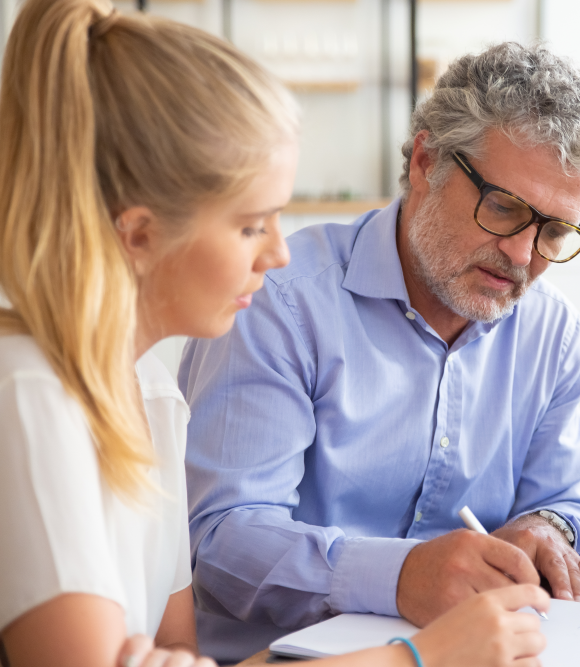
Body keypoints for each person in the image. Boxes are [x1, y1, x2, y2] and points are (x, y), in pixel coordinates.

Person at [0, 2, 548, 666]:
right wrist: (416, 657)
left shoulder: (146, 391)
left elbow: (182, 652)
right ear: (139, 233)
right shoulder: (28, 395)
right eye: (252, 224)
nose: (278, 254)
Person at [180, 42, 580, 662]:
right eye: (503, 207)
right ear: (425, 161)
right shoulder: (278, 301)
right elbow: (224, 543)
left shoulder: (553, 334)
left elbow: (566, 499)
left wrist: (548, 529)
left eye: (552, 231)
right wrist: (401, 574)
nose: (524, 256)